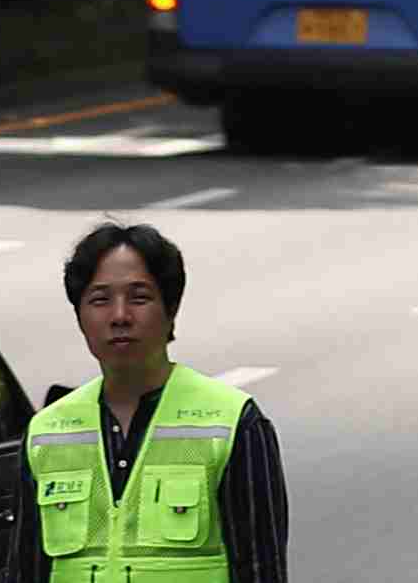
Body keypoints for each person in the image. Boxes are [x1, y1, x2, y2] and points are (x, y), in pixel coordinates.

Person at [27, 221, 291, 583]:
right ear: (80, 315)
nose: (119, 316)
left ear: (171, 309)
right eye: (100, 299)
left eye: (139, 297)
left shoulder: (233, 423)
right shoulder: (46, 432)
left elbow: (262, 569)